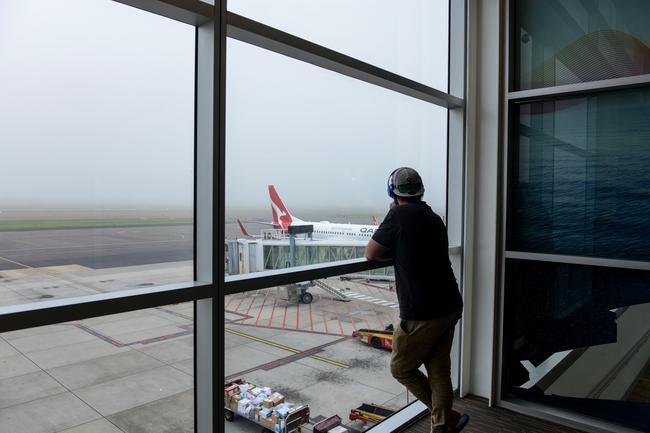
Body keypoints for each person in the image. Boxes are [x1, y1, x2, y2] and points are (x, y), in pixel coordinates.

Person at [365, 167, 468, 433]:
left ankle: (443, 415)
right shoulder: (433, 216)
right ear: (421, 190)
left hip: (423, 311)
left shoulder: (398, 214)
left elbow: (371, 253)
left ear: (392, 192)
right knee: (439, 371)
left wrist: (392, 212)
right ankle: (444, 422)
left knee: (401, 368)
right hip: (449, 304)